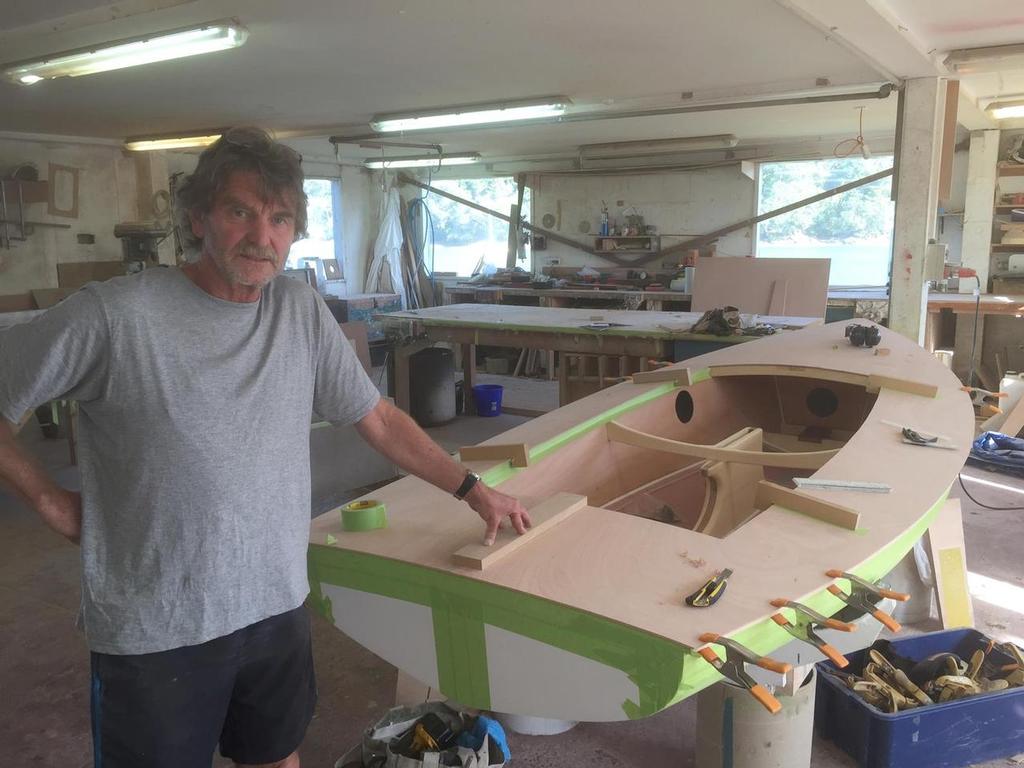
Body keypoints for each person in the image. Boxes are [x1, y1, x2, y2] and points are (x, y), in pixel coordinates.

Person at [0, 126, 531, 768]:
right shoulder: (115, 315)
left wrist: (474, 492)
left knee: (276, 757)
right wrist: (52, 502)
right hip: (158, 625)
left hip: (275, 603)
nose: (262, 236)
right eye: (240, 211)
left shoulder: (298, 311)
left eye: (280, 218)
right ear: (198, 218)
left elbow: (381, 419)